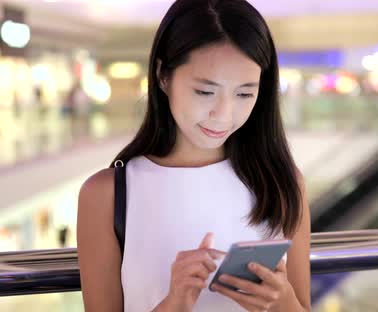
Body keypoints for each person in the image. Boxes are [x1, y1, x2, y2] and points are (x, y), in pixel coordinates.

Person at [76, 1, 311, 311]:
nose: (223, 115)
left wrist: (284, 303)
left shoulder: (282, 182)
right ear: (163, 75)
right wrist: (173, 304)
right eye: (205, 91)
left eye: (244, 93)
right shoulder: (106, 194)